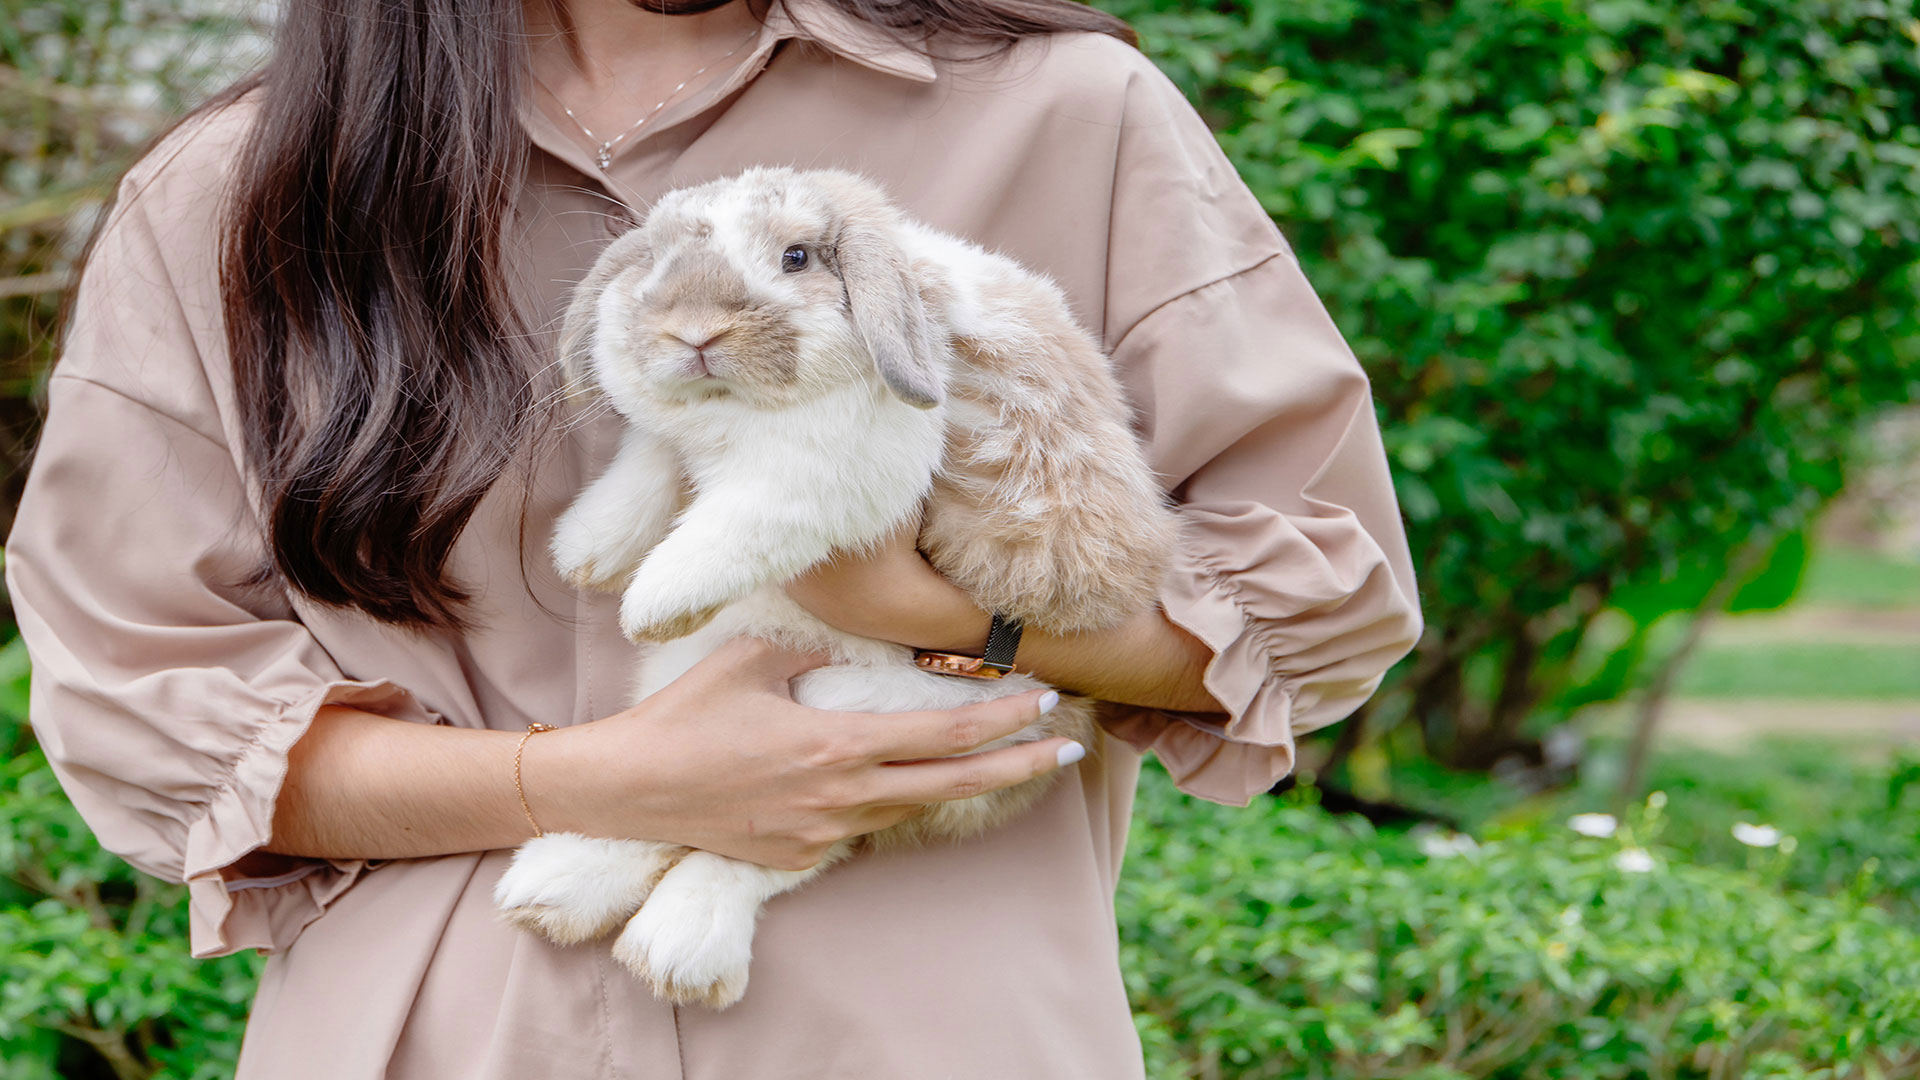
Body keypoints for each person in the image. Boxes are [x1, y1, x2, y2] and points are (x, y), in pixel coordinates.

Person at [5, 0, 1422, 1075]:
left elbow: (1319, 604)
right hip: (437, 1040)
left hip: (931, 1030)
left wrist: (923, 602)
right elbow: (151, 710)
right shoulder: (234, 192)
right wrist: (597, 782)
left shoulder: (1070, 112)